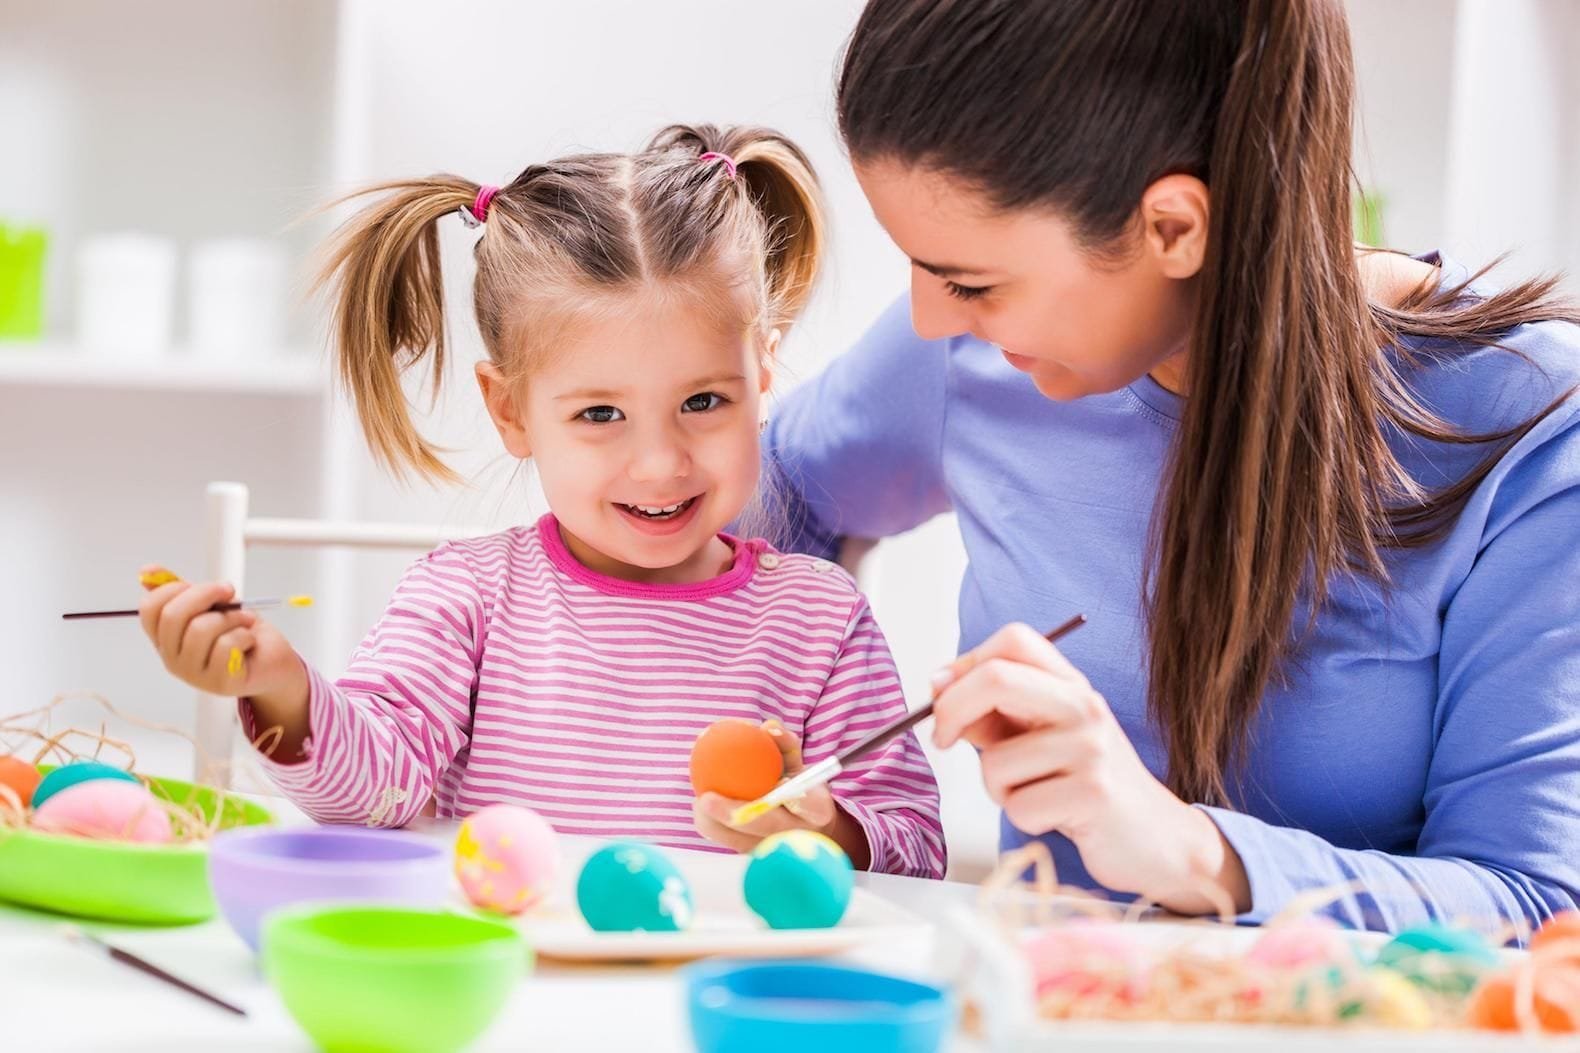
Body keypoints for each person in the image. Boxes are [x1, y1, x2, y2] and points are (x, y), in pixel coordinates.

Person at [763, 0, 1580, 929]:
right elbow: (764, 490)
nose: (932, 318)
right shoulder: (972, 355)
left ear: (1174, 227)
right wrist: (808, 719)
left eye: (972, 280)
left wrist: (1191, 848)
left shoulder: (1531, 424)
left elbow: (1538, 907)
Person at [138, 124, 945, 877]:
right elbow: (372, 793)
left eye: (704, 402)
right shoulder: (469, 598)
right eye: (601, 414)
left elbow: (917, 849)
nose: (661, 462)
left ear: (763, 371)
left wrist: (827, 827)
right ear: (511, 409)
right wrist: (278, 684)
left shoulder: (819, 617)